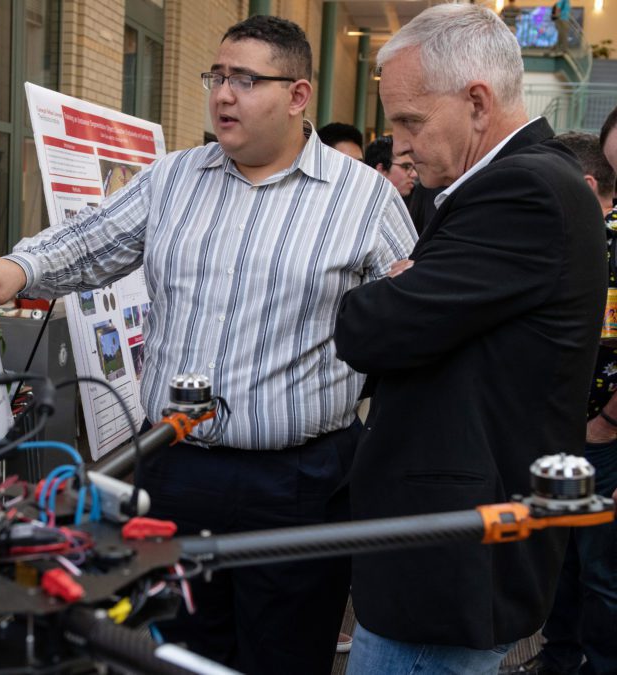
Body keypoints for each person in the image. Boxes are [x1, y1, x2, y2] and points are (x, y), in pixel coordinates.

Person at [0, 15, 416, 674]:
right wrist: (18, 269)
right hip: (176, 469)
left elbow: (411, 324)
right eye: (216, 76)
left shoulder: (364, 200)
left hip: (301, 482)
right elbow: (87, 242)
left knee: (285, 654)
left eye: (245, 79)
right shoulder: (173, 179)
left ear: (299, 94)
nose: (222, 94)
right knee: (172, 652)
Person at [333, 5, 606, 674]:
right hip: (447, 554)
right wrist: (407, 284)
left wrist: (393, 292)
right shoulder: (494, 184)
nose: (398, 143)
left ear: (478, 103)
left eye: (410, 121)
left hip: (448, 563)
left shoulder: (525, 190)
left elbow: (370, 328)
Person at [500, 131, 617, 675]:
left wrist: (606, 421)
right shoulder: (582, 236)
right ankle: (562, 653)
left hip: (600, 430)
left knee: (599, 568)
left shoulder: (609, 238)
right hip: (569, 425)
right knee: (564, 557)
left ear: (587, 185)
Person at [363, 135, 416, 201]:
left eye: (414, 168)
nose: (414, 174)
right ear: (381, 169)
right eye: (406, 167)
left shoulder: (415, 200)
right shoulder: (359, 204)